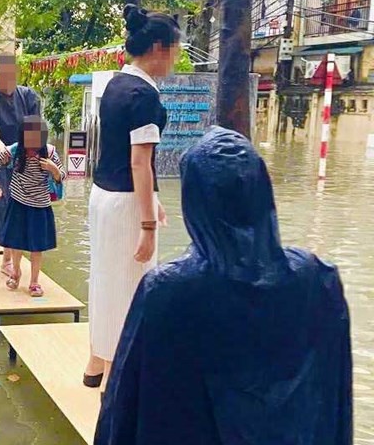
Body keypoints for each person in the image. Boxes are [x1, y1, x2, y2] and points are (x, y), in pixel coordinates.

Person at [94, 127, 353, 444]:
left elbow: (123, 406)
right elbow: (336, 401)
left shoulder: (168, 291)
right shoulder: (318, 281)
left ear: (194, 201)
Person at [84, 4, 181, 389]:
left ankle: (96, 362)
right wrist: (148, 225)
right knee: (131, 287)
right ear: (158, 48)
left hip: (102, 196)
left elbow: (121, 154)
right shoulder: (144, 96)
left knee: (104, 278)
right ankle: (115, 377)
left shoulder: (115, 84)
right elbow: (140, 162)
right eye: (174, 50)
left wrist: (152, 199)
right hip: (125, 204)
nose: (176, 58)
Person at [0, 115, 64, 297]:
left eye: (37, 140)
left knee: (37, 246)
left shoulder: (50, 152)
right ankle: (16, 272)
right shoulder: (15, 151)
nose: (32, 147)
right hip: (18, 202)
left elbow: (62, 176)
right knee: (16, 242)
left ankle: (34, 282)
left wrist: (54, 170)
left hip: (40, 205)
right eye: (29, 140)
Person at [0, 53, 42, 281]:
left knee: (17, 208)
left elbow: (35, 130)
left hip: (22, 158)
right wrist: (6, 152)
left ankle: (8, 260)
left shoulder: (29, 97)